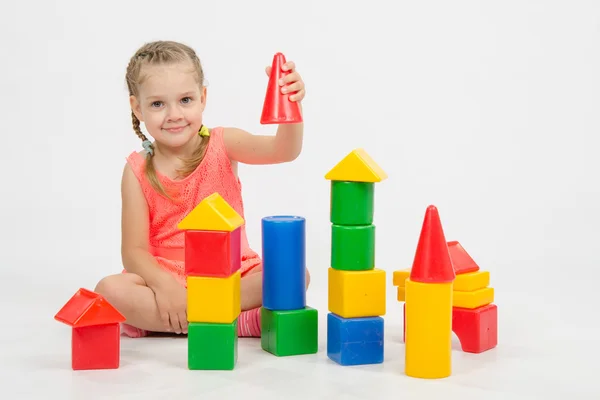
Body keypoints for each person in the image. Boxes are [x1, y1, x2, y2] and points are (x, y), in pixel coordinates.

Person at [94, 40, 309, 338]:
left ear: (203, 97)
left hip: (230, 274)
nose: (174, 114)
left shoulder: (224, 143)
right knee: (109, 290)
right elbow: (133, 251)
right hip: (166, 276)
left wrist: (291, 104)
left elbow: (283, 151)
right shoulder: (137, 170)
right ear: (137, 107)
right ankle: (232, 321)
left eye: (185, 100)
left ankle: (173, 319)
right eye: (158, 104)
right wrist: (166, 286)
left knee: (294, 274)